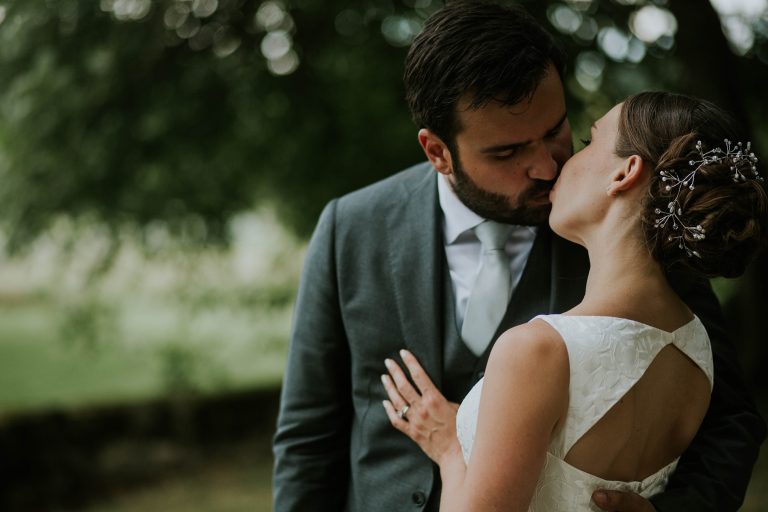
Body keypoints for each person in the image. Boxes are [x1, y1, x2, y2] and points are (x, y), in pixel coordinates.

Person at [272, 2, 766, 511]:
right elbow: (308, 438)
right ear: (438, 151)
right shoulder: (351, 227)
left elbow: (730, 417)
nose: (546, 168)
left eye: (555, 131)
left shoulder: (642, 226)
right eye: (506, 153)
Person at [381, 91, 768, 511]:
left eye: (589, 141)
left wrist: (450, 451)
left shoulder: (535, 350)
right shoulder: (696, 349)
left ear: (624, 173)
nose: (555, 167)